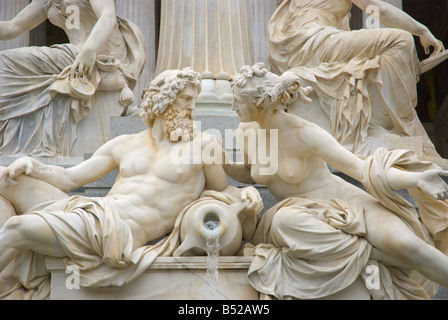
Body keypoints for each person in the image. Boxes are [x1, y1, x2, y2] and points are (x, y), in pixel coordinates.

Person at [0, 67, 263, 299]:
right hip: (92, 210)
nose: (192, 108)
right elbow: (70, 178)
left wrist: (248, 191)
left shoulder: (204, 145)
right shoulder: (124, 144)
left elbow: (221, 190)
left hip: (116, 232)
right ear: (163, 101)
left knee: (16, 227)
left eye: (194, 100)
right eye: (185, 99)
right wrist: (34, 165)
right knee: (5, 177)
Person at [227, 63, 448, 300]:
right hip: (300, 212)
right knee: (283, 221)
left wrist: (416, 179)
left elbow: (361, 169)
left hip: (345, 203)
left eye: (238, 102)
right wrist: (221, 162)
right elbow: (253, 173)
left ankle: (371, 250)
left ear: (259, 102)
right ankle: (372, 253)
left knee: (409, 247)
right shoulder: (246, 131)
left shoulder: (304, 132)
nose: (233, 107)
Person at [268, 0, 445, 158]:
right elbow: (379, 9)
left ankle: (385, 122)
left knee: (374, 61)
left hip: (300, 46)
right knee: (401, 40)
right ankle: (403, 124)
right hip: (316, 41)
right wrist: (421, 30)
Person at [0, 0, 146, 156]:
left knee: (5, 64)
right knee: (3, 64)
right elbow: (14, 27)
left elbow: (108, 16)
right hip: (75, 55)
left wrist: (89, 50)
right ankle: (21, 142)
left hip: (101, 56)